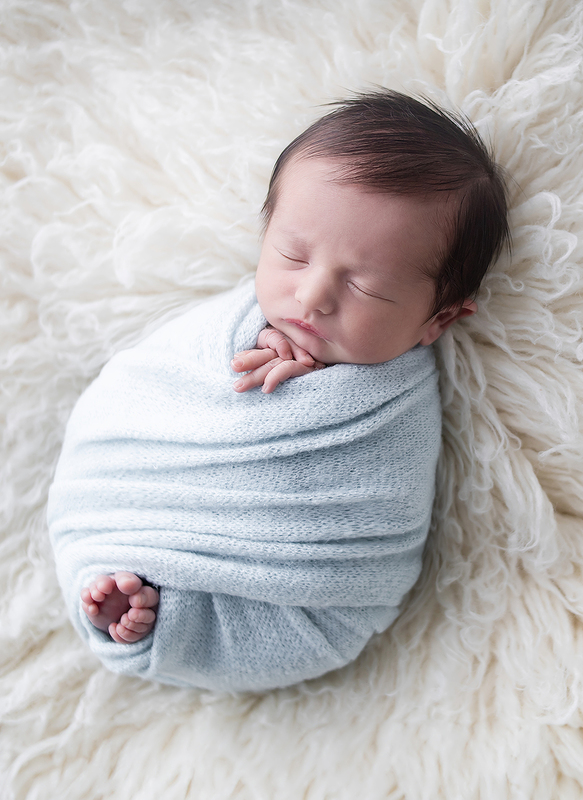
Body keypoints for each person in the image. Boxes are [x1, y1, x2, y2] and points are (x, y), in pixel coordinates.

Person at [52, 88, 509, 689]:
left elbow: (368, 516)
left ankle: (162, 614)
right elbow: (155, 383)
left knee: (270, 626)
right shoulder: (231, 322)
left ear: (438, 319)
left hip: (299, 601)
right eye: (293, 255)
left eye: (366, 288)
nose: (314, 295)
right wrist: (248, 356)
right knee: (123, 564)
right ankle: (139, 589)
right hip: (124, 498)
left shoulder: (391, 407)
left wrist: (312, 391)